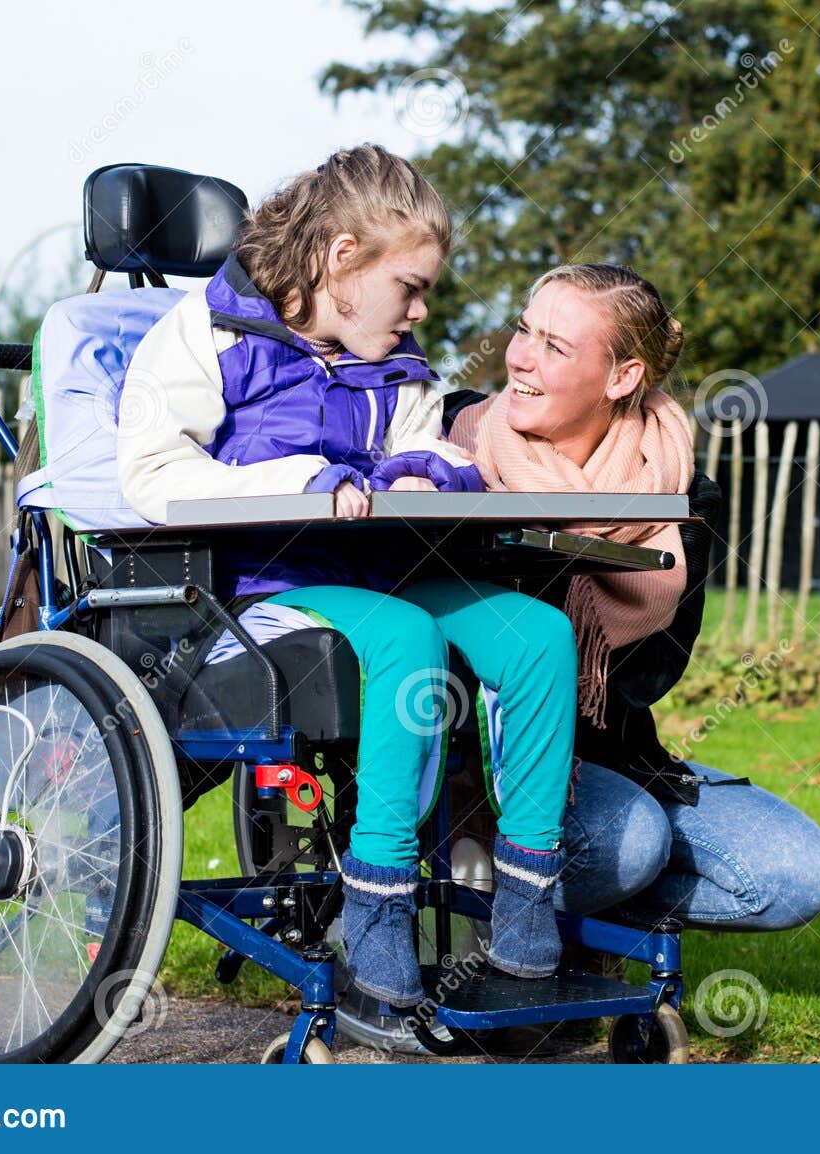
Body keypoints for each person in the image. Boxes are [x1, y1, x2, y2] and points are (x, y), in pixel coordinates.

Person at [115, 146, 576, 1008]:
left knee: (538, 637)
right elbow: (149, 477)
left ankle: (524, 901)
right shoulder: (207, 335)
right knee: (407, 638)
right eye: (410, 286)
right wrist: (302, 480)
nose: (421, 308)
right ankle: (376, 909)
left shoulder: (392, 353)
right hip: (257, 588)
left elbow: (425, 439)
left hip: (381, 571)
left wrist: (427, 471)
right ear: (341, 260)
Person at [446, 263, 820, 935]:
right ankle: (475, 896)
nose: (520, 358)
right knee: (631, 844)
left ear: (623, 377)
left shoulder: (680, 496)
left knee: (794, 874)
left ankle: (562, 909)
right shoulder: (455, 456)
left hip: (603, 756)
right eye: (523, 330)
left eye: (555, 346)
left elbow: (643, 677)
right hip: (465, 764)